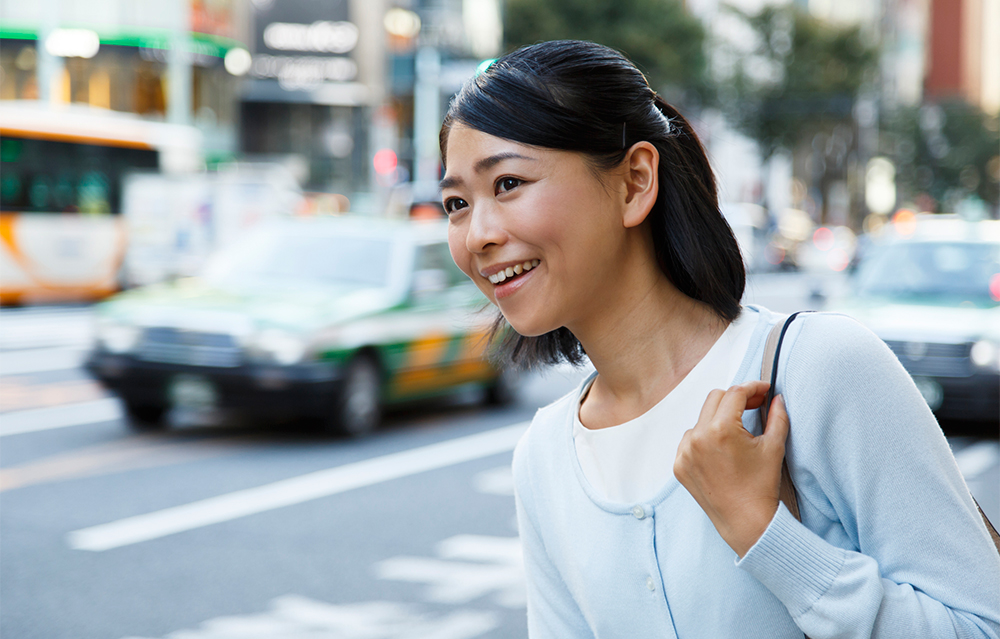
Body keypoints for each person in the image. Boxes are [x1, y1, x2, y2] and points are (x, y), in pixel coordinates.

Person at [438, 40, 999, 638]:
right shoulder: (546, 456)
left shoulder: (818, 370)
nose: (477, 235)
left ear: (634, 182)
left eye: (508, 184)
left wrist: (768, 536)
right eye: (455, 203)